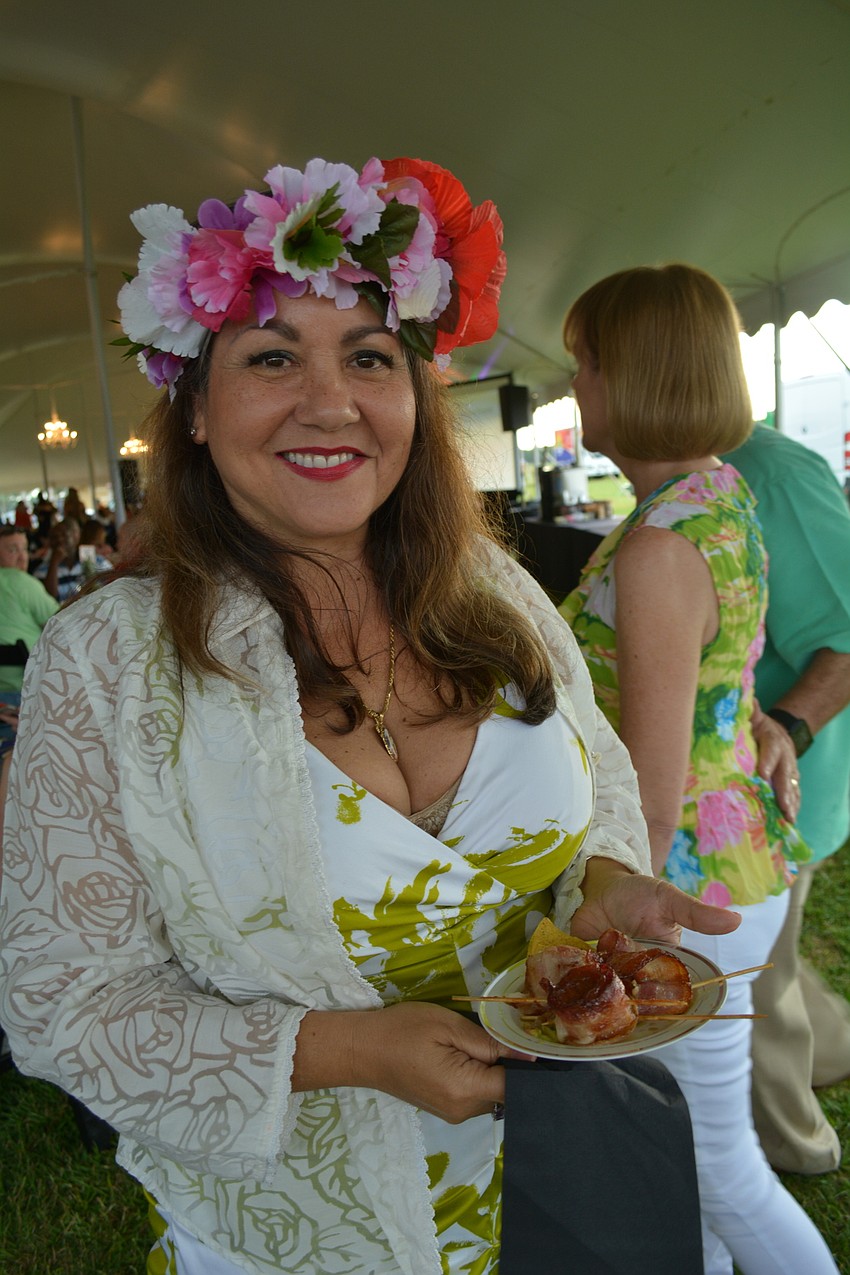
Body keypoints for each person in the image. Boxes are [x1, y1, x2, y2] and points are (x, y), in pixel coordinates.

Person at [0, 156, 739, 1275]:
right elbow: (62, 1006)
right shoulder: (103, 666)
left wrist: (599, 876)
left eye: (367, 356)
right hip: (299, 1231)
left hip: (559, 1184)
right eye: (269, 357)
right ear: (193, 410)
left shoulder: (496, 592)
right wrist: (341, 1049)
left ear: (413, 393)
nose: (330, 399)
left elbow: (602, 778)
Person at [558, 264, 838, 1275]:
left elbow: (653, 775)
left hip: (686, 883)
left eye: (583, 360)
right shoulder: (715, 494)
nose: (576, 381)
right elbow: (731, 669)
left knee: (713, 1165)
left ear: (631, 373)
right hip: (731, 862)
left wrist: (600, 898)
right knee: (689, 1158)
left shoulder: (660, 541)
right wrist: (758, 723)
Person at [722, 423, 850, 1174]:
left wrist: (786, 734)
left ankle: (797, 1149)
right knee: (773, 961)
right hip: (754, 788)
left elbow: (846, 629)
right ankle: (833, 1046)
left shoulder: (770, 469)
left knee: (757, 983)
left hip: (778, 788)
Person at [0, 526, 58, 693]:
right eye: (12, 550)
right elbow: (61, 622)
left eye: (25, 549)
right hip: (28, 691)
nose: (22, 557)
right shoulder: (21, 582)